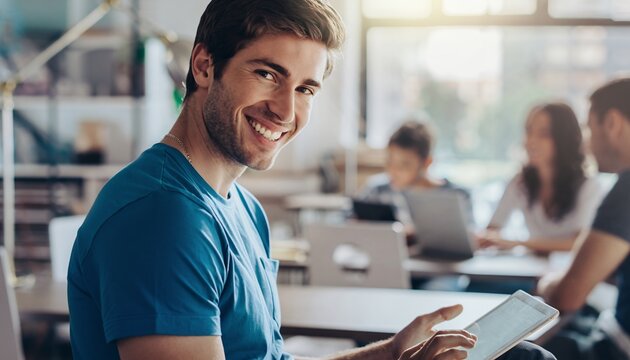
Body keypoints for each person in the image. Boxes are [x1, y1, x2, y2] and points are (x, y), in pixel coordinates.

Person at [66, 0, 556, 359]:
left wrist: (386, 356)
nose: (286, 110)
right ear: (204, 66)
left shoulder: (240, 207)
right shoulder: (163, 218)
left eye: (305, 88)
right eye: (267, 74)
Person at [538, 78, 630, 359]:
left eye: (590, 129)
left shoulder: (626, 190)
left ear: (612, 123)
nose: (588, 145)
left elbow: (568, 295)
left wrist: (547, 282)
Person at [478, 103, 603, 254]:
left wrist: (518, 243)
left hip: (568, 270)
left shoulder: (589, 187)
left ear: (564, 140)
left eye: (544, 134)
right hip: (530, 270)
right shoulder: (519, 182)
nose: (531, 141)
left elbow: (578, 243)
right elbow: (492, 230)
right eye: (529, 132)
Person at [359, 121, 470, 230]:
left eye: (403, 165)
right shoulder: (376, 191)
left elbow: (468, 240)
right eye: (389, 162)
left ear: (427, 163)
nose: (392, 171)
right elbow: (347, 220)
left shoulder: (457, 196)